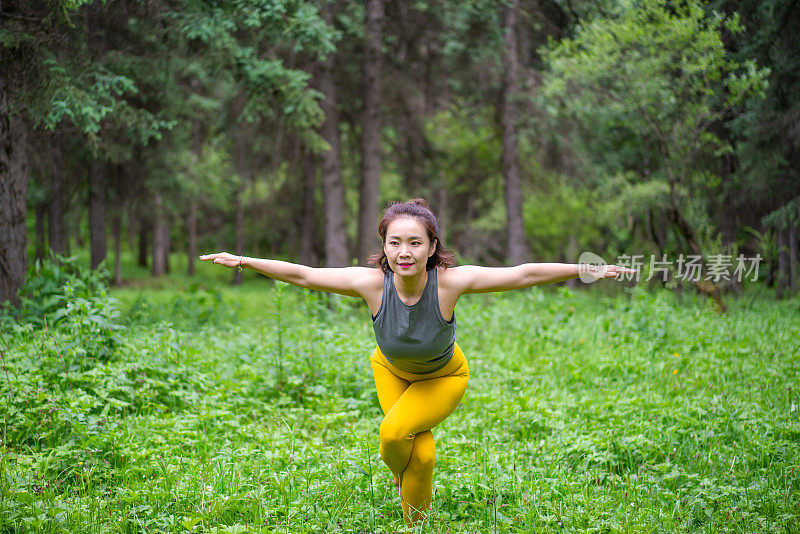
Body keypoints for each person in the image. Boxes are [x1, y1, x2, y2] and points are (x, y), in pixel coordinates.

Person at [200, 198, 633, 530]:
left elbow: (522, 274)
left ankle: (411, 515)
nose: (404, 252)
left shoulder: (450, 283)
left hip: (444, 377)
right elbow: (303, 274)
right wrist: (244, 261)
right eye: (394, 242)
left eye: (415, 243)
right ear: (384, 248)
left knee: (395, 435)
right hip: (390, 371)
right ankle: (416, 510)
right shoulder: (370, 284)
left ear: (431, 249)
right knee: (419, 454)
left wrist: (583, 269)